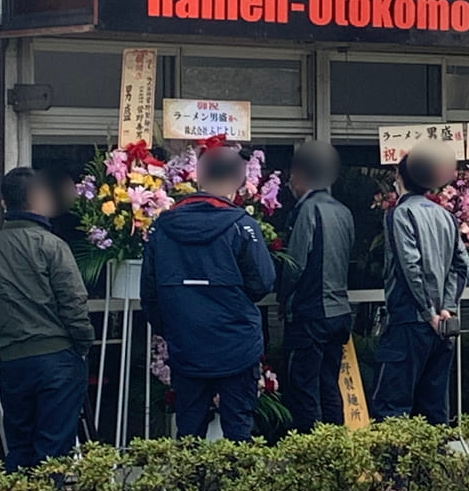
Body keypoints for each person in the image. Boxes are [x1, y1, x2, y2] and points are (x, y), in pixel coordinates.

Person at [141, 145, 276, 441]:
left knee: (189, 432)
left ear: (199, 178)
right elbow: (263, 283)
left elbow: (150, 295)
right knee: (238, 431)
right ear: (237, 181)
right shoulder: (242, 226)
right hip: (237, 345)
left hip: (186, 345)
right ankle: (237, 486)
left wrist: (174, 328)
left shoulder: (162, 227)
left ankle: (192, 487)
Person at [0, 167, 94, 471]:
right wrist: (83, 343)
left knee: (18, 446)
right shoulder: (51, 245)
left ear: (4, 203)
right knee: (53, 450)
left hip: (12, 362)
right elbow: (74, 303)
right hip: (56, 359)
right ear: (39, 198)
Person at [372, 141, 469, 423]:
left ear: (400, 177)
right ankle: (435, 467)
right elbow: (460, 265)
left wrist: (428, 312)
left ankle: (395, 468)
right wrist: (446, 309)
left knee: (392, 407)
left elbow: (409, 267)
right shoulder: (447, 216)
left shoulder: (399, 214)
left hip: (409, 320)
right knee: (434, 407)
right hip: (443, 326)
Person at [278, 141, 355, 431]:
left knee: (303, 389)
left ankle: (309, 457)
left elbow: (294, 263)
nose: (289, 184)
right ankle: (336, 447)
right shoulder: (344, 211)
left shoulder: (307, 211)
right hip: (339, 313)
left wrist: (283, 300)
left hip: (311, 313)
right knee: (329, 385)